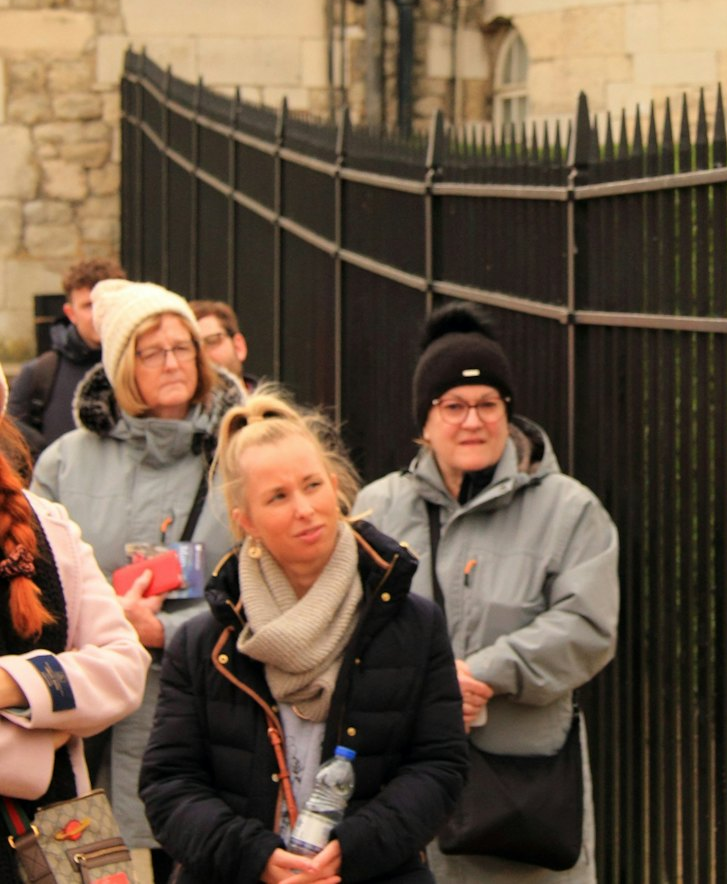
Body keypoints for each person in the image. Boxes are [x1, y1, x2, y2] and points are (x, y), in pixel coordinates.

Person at [139, 390, 469, 884]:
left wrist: (352, 849)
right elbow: (169, 786)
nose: (304, 509)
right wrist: (254, 857)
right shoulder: (203, 644)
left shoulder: (412, 624)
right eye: (278, 497)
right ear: (245, 521)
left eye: (312, 486)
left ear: (334, 488)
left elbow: (439, 767)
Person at [354, 303, 619, 884]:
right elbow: (349, 627)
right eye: (453, 406)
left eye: (488, 404)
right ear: (424, 422)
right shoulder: (376, 509)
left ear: (507, 412)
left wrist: (481, 674)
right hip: (402, 785)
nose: (472, 421)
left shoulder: (570, 510)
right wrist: (429, 687)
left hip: (521, 793)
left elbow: (587, 627)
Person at [31, 278, 243, 876]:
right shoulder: (65, 461)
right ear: (124, 366)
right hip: (87, 732)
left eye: (183, 348)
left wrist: (166, 633)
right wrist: (107, 623)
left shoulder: (238, 453)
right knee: (88, 868)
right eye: (153, 352)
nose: (173, 363)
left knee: (196, 859)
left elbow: (264, 582)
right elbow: (31, 586)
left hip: (206, 720)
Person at [0, 366, 151, 881]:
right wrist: (34, 747)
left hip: (62, 829)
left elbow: (125, 667)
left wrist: (15, 684)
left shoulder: (50, 527)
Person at [7, 257, 125, 456]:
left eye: (106, 304)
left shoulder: (147, 368)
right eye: (88, 306)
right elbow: (12, 447)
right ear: (70, 313)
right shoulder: (39, 374)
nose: (99, 314)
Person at [191, 299, 257, 391]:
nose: (203, 356)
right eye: (193, 348)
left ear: (238, 347)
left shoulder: (272, 400)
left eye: (212, 341)